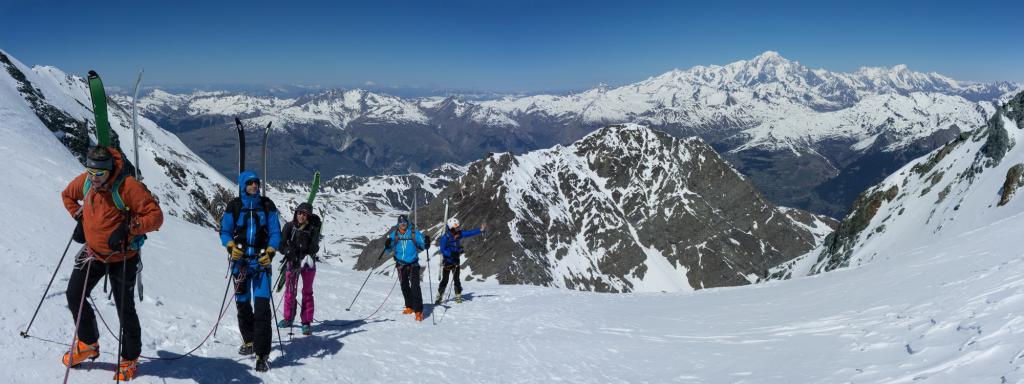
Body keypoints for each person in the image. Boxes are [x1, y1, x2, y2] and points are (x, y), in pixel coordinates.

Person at [60, 146, 164, 381]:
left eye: (99, 174)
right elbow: (67, 195)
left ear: (110, 171)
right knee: (74, 294)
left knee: (124, 309)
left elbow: (155, 216)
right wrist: (79, 215)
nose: (94, 179)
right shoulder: (86, 181)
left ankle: (129, 357)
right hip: (94, 253)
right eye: (90, 172)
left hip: (123, 258)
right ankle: (88, 342)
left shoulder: (127, 187)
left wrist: (128, 229)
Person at [220, 171, 281, 372]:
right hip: (240, 264)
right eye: (250, 183)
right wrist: (230, 246)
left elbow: (275, 233)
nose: (254, 186)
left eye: (256, 183)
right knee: (243, 305)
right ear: (243, 185)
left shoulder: (267, 205)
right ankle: (249, 341)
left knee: (262, 309)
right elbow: (225, 231)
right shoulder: (235, 206)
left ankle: (262, 354)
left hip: (261, 264)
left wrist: (271, 251)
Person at [277, 202, 321, 335]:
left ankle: (306, 322)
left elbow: (315, 246)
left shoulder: (312, 228)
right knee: (290, 291)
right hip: (292, 262)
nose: (301, 216)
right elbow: (281, 244)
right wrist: (287, 251)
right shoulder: (289, 226)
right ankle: (288, 318)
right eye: (299, 213)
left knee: (307, 292)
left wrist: (306, 253)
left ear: (308, 216)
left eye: (304, 214)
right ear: (296, 213)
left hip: (307, 263)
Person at [384, 215, 430, 321]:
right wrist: (387, 245)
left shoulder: (414, 233)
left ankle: (418, 311)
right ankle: (409, 306)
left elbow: (423, 245)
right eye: (401, 223)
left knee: (415, 287)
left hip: (413, 264)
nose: (403, 225)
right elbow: (388, 250)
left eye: (404, 223)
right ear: (398, 224)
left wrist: (426, 242)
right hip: (400, 264)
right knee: (404, 286)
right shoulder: (394, 235)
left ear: (407, 223)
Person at [435, 218, 485, 304]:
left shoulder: (459, 234)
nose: (458, 229)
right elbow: (443, 250)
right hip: (448, 261)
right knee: (445, 280)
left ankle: (458, 296)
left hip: (456, 260)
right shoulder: (445, 237)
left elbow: (468, 233)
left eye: (458, 227)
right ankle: (439, 297)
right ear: (451, 228)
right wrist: (451, 254)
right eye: (456, 228)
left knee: (456, 279)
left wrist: (480, 230)